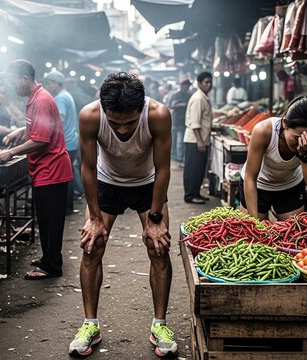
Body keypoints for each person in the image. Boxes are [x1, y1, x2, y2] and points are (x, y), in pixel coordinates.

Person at [69, 72, 176, 358]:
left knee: (159, 248)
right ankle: (90, 324)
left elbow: (164, 168)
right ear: (105, 111)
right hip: (106, 183)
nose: (124, 130)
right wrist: (93, 218)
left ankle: (160, 325)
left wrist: (155, 220)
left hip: (148, 183)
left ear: (141, 108)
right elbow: (88, 168)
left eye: (130, 122)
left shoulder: (158, 115)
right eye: (116, 123)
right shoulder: (90, 116)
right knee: (92, 247)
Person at [0, 59, 73, 280]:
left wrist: (12, 152)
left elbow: (41, 139)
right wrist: (22, 129)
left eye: (12, 81)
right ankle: (48, 258)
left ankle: (52, 266)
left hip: (52, 169)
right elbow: (40, 127)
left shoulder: (40, 99)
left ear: (24, 78)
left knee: (51, 221)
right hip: (46, 169)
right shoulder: (37, 97)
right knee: (46, 219)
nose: (11, 86)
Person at [237, 97, 307, 221]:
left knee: (292, 234)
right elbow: (250, 177)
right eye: (297, 138)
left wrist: (305, 155)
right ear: (285, 123)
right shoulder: (263, 131)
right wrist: (255, 224)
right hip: (258, 184)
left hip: (290, 185)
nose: (301, 144)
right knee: (255, 232)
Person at [44, 70, 83, 210]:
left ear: (56, 84)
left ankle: (65, 207)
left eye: (49, 83)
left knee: (64, 176)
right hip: (72, 140)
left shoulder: (60, 98)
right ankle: (68, 206)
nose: (48, 86)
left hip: (66, 142)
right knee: (68, 173)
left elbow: (59, 120)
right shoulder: (67, 95)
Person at [183, 71, 213, 204]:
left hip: (200, 140)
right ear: (199, 84)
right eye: (206, 82)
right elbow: (195, 122)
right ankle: (190, 195)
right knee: (193, 169)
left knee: (199, 169)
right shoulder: (198, 98)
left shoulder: (203, 97)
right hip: (195, 140)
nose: (209, 85)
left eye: (210, 82)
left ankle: (196, 193)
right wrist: (199, 141)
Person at [168, 79, 191, 163]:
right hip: (177, 120)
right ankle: (178, 158)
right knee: (178, 141)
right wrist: (180, 105)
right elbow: (170, 106)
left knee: (182, 141)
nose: (187, 87)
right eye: (186, 86)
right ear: (182, 86)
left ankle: (180, 157)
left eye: (188, 86)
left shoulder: (189, 95)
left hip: (186, 121)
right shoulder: (176, 95)